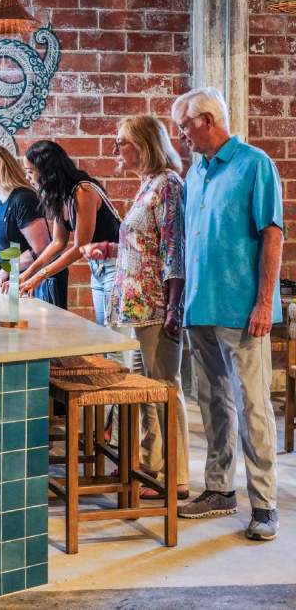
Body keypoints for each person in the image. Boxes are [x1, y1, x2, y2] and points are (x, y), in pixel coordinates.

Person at [171, 87, 283, 541]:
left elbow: (272, 235)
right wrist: (182, 301)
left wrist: (263, 303)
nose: (181, 136)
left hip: (242, 309)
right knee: (213, 402)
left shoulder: (255, 164)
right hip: (201, 305)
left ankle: (265, 503)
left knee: (254, 404)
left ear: (208, 120)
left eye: (184, 126)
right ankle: (219, 489)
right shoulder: (195, 172)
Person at [84, 115, 190, 499]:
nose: (116, 149)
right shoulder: (148, 185)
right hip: (136, 306)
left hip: (157, 307)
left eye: (123, 142)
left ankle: (176, 475)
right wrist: (111, 249)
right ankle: (152, 465)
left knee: (164, 388)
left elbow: (175, 250)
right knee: (145, 391)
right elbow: (143, 244)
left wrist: (175, 307)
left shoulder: (169, 186)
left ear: (146, 144)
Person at [19, 140, 120, 316]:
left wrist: (40, 276)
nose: (28, 178)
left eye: (30, 171)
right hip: (97, 268)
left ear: (46, 171)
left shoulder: (83, 191)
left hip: (115, 265)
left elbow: (80, 247)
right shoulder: (61, 196)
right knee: (105, 327)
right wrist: (27, 274)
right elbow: (58, 243)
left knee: (114, 329)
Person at [0, 145, 53, 297]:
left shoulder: (24, 199)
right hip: (5, 283)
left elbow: (42, 248)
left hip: (31, 284)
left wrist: (6, 270)